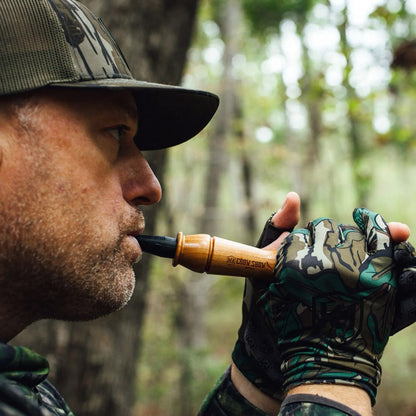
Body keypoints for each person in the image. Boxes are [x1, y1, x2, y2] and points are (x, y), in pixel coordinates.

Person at [0, 1, 414, 416]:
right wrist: (333, 375)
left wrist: (261, 372)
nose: (150, 187)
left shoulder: (25, 391)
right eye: (115, 132)